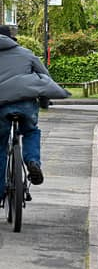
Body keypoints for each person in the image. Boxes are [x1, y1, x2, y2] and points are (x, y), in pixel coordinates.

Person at [0, 25, 70, 198]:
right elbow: (45, 78)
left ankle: (0, 192)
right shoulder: (26, 53)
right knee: (31, 131)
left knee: (0, 145)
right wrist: (45, 101)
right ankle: (32, 161)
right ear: (12, 40)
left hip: (1, 106)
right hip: (26, 105)